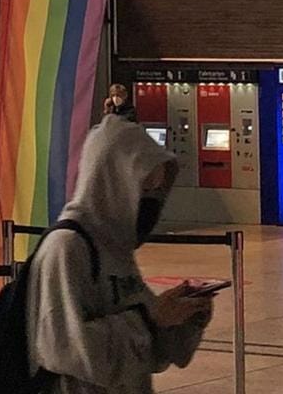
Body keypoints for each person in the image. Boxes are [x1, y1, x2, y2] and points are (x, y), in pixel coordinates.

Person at [27, 114, 212, 394]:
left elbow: (148, 351)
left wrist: (185, 320)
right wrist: (151, 318)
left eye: (157, 189)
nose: (151, 200)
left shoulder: (116, 250)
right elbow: (64, 349)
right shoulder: (67, 248)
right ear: (113, 182)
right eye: (144, 186)